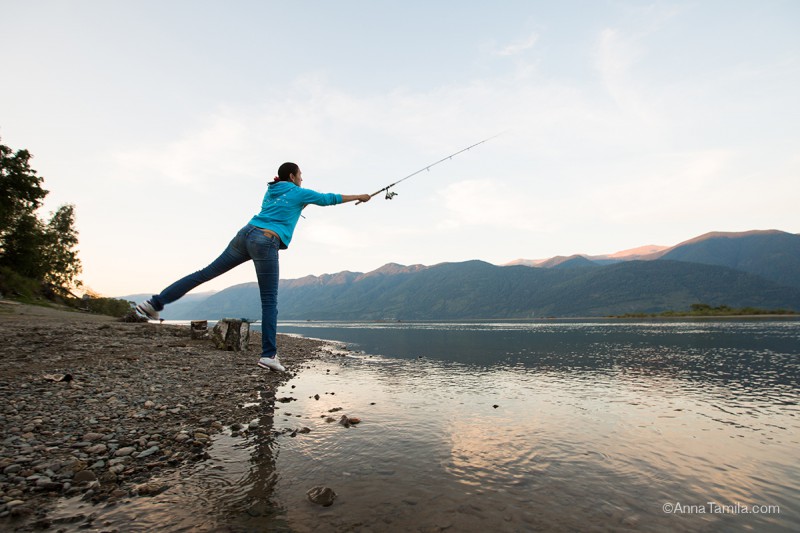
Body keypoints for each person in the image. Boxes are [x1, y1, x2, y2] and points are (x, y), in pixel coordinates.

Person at [135, 162, 372, 371]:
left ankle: (154, 303)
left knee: (204, 273)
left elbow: (290, 206)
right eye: (300, 175)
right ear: (292, 176)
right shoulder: (298, 192)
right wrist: (359, 196)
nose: (302, 179)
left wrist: (303, 202)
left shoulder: (272, 191)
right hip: (265, 240)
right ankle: (268, 356)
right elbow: (327, 199)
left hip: (244, 235)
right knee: (269, 300)